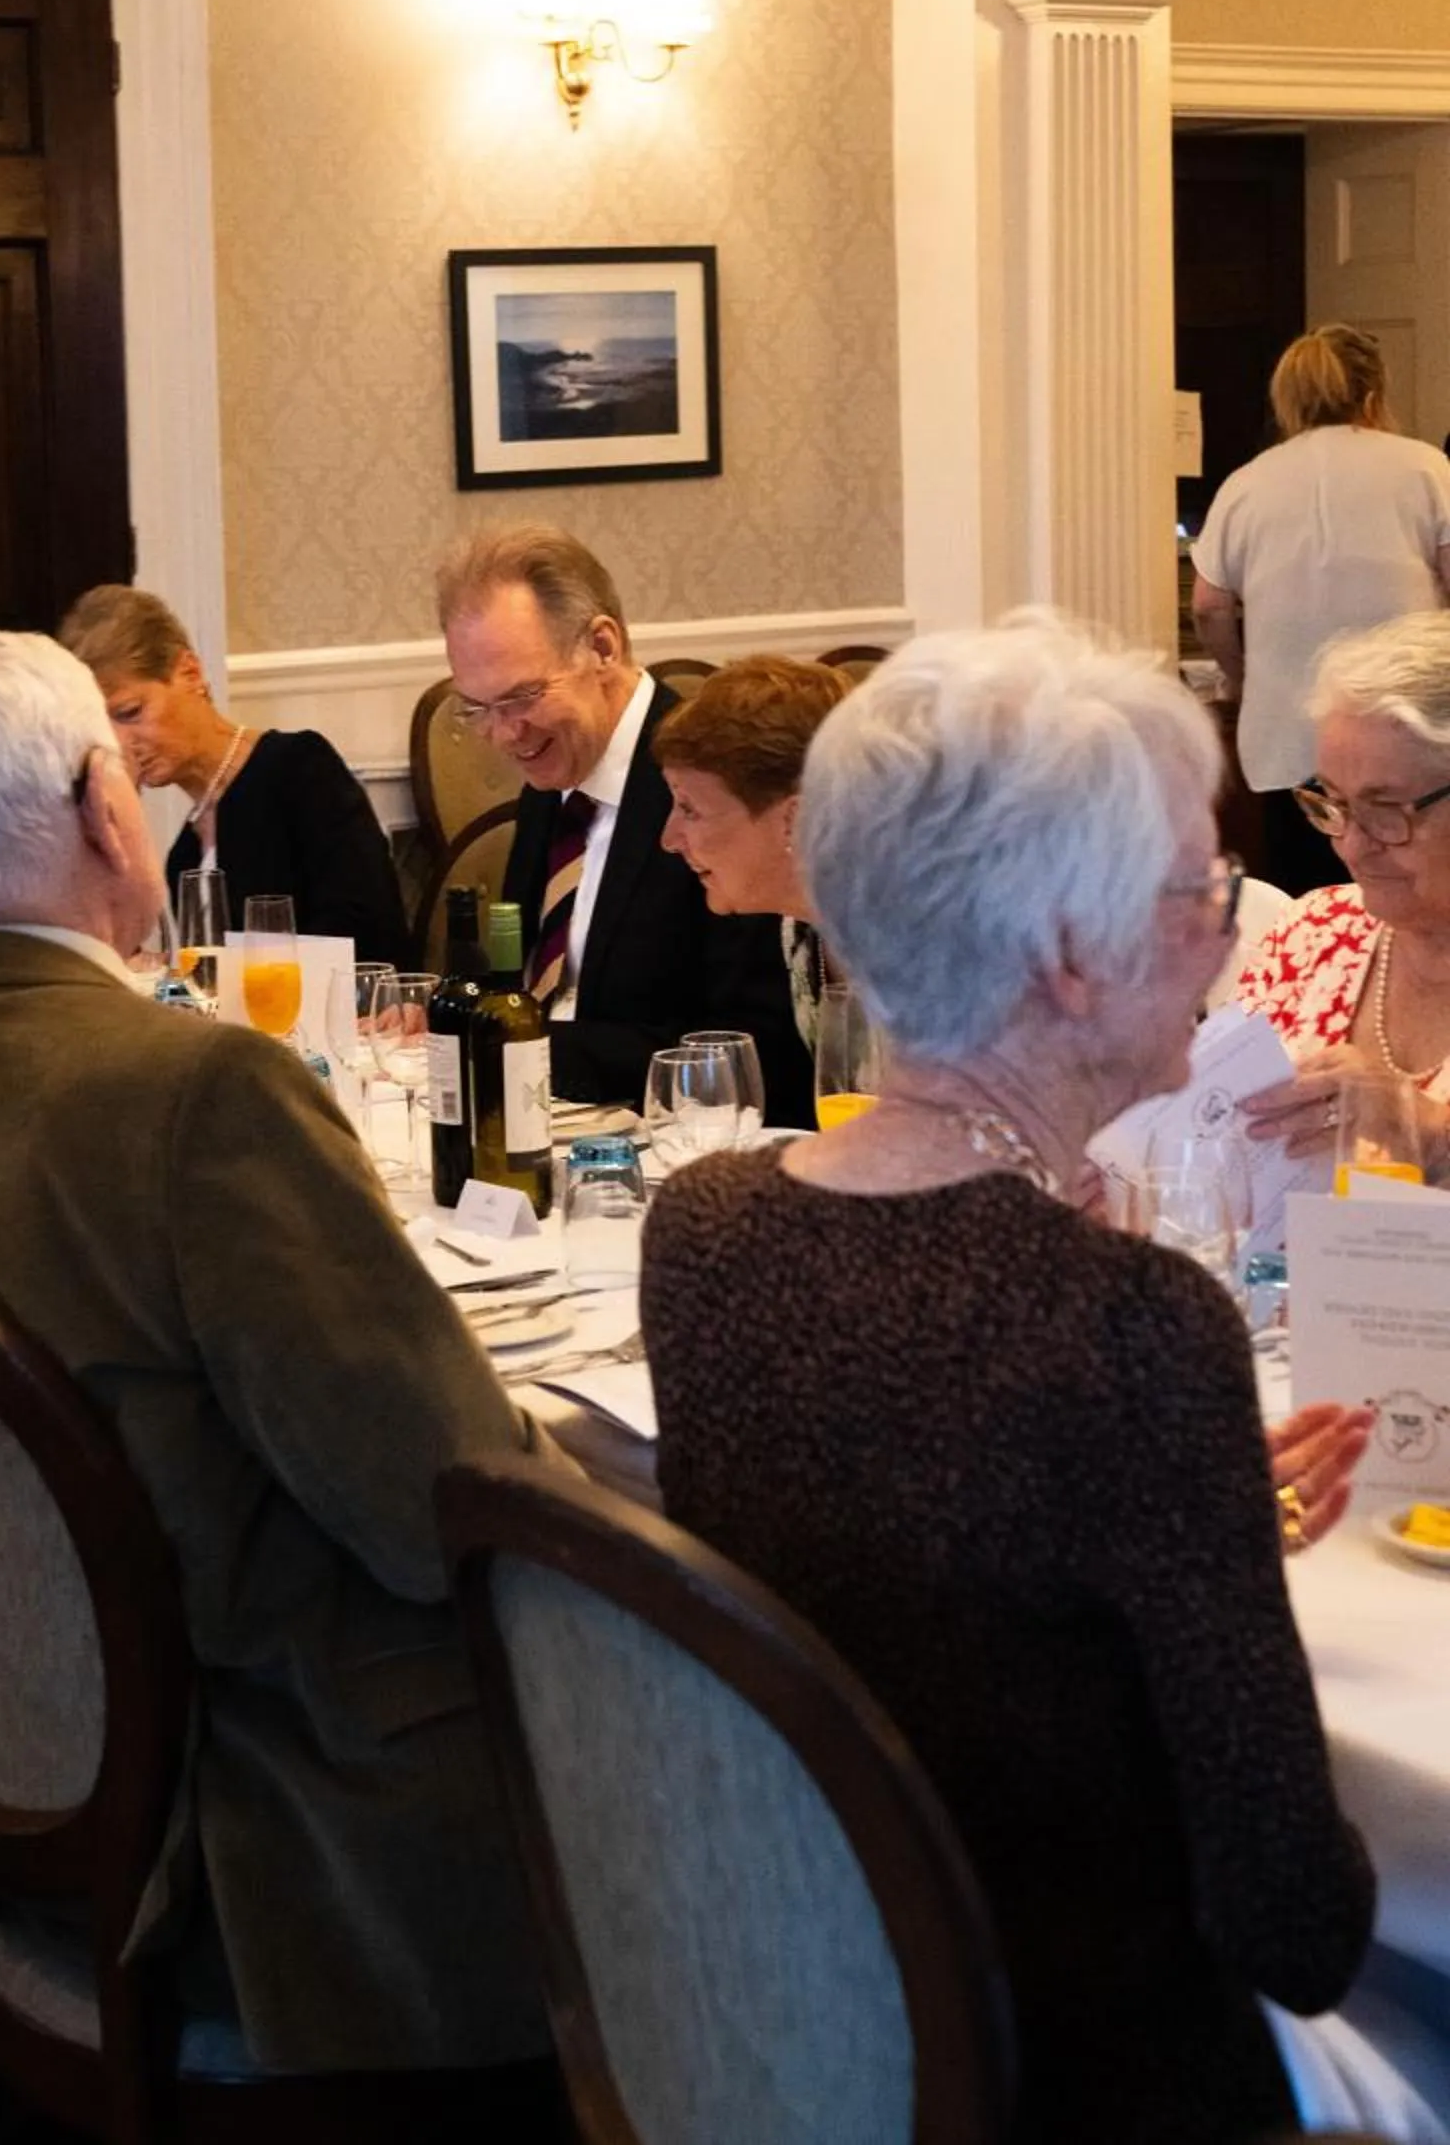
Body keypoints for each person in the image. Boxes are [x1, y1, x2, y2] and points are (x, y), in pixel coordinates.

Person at [641, 617, 1410, 2145]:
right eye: (1197, 894)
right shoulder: (1128, 1328)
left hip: (800, 2025)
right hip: (1081, 2079)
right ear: (1067, 957)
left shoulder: (706, 1230)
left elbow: (935, 1539)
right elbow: (1294, 1927)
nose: (1225, 939)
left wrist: (1183, 1519)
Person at [0, 628, 550, 2085]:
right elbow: (446, 1506)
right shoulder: (199, 1094)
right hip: (288, 1818)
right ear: (103, 805)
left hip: (38, 1757)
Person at [434, 528, 796, 1109]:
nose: (503, 734)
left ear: (602, 648)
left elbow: (747, 1050)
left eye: (522, 697)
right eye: (478, 708)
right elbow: (531, 994)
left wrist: (525, 1049)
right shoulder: (553, 774)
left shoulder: (713, 785)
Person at [1192, 323, 1450, 897]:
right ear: (1373, 393)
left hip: (1288, 735)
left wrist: (1242, 680)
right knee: (1410, 890)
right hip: (1406, 730)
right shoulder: (1424, 468)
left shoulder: (1246, 483)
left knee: (1299, 896)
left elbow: (1209, 606)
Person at [59, 583, 409, 966]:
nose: (121, 742)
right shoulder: (185, 856)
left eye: (130, 713)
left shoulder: (299, 768)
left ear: (189, 673)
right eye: (104, 726)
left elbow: (368, 935)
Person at [1236, 611, 1450, 1185]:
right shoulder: (1314, 932)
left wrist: (1429, 1134)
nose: (1352, 843)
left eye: (1386, 810)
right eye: (1332, 802)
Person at [654, 651, 851, 1128]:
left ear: (794, 818)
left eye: (690, 809)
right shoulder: (800, 932)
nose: (668, 839)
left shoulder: (930, 944)